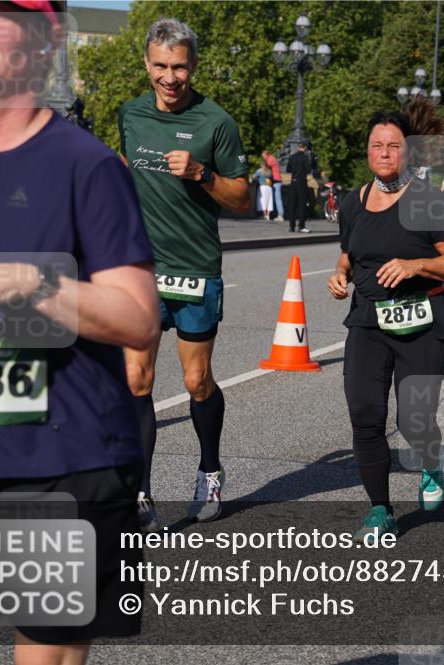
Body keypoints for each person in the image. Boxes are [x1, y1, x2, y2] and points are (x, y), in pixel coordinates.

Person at [0, 2, 159, 662]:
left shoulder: (84, 165)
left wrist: (31, 283)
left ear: (44, 38)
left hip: (57, 460)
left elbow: (139, 317)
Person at [119, 18, 250, 530]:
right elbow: (125, 167)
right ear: (146, 64)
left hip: (195, 267)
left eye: (178, 67)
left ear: (192, 65)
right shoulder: (130, 113)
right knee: (137, 379)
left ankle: (209, 471)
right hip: (140, 268)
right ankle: (140, 492)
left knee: (196, 381)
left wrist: (202, 174)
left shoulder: (216, 122)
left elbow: (241, 199)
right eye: (160, 66)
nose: (169, 77)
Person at [327, 99, 444, 540]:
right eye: (377, 145)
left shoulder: (429, 201)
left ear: (409, 151)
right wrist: (340, 275)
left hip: (421, 321)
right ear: (367, 150)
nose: (385, 153)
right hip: (367, 322)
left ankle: (431, 460)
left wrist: (415, 265)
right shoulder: (353, 202)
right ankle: (379, 509)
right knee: (365, 413)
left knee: (413, 419)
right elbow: (350, 254)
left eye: (394, 146)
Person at [287, 142, 312, 233]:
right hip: (301, 182)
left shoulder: (292, 157)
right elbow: (308, 170)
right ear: (304, 148)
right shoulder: (305, 157)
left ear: (298, 147)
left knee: (292, 205)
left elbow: (288, 169)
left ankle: (291, 226)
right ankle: (301, 226)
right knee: (302, 205)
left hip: (293, 182)